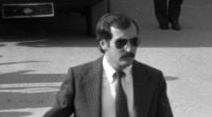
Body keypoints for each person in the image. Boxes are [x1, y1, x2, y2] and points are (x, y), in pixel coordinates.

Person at [43, 12, 173, 117]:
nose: (129, 49)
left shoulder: (153, 78)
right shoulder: (78, 78)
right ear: (103, 44)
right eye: (121, 43)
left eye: (134, 41)